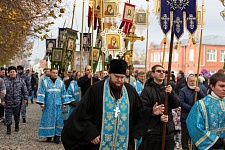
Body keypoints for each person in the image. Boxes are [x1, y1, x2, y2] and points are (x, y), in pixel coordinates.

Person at [61, 59, 145, 150]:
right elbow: (81, 115)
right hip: (99, 143)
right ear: (109, 73)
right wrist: (90, 132)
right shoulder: (96, 90)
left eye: (122, 77)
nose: (119, 80)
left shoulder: (130, 91)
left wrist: (151, 112)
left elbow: (139, 113)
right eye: (116, 76)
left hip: (123, 143)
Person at [138, 64, 180, 150]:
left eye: (163, 71)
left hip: (167, 132)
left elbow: (176, 104)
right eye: (158, 71)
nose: (161, 73)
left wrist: (171, 93)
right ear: (153, 74)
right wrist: (153, 112)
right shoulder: (147, 90)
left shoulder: (168, 88)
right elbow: (141, 109)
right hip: (153, 133)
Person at [186, 73, 225, 149]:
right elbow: (194, 126)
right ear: (212, 86)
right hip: (210, 147)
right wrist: (217, 141)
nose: (224, 89)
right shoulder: (201, 105)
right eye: (221, 86)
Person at [36, 68, 70, 143]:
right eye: (53, 73)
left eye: (56, 73)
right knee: (48, 120)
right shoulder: (45, 82)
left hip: (58, 105)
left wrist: (64, 103)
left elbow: (63, 93)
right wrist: (41, 103)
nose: (55, 74)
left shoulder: (60, 82)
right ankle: (49, 136)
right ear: (50, 73)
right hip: (48, 105)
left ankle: (57, 137)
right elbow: (42, 92)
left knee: (59, 121)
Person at [179, 73, 206, 150]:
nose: (192, 82)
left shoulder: (198, 89)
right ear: (187, 81)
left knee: (195, 136)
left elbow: (204, 100)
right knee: (185, 137)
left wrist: (199, 92)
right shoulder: (183, 90)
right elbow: (180, 102)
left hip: (197, 117)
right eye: (190, 81)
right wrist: (191, 108)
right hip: (186, 117)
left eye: (194, 81)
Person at [1, 66, 28, 134]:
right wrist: (3, 100)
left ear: (16, 72)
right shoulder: (4, 80)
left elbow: (24, 90)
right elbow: (2, 91)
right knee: (8, 116)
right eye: (11, 72)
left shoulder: (20, 80)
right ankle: (8, 128)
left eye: (13, 72)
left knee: (17, 115)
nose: (12, 73)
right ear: (8, 73)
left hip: (17, 101)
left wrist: (25, 98)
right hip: (8, 102)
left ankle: (16, 125)